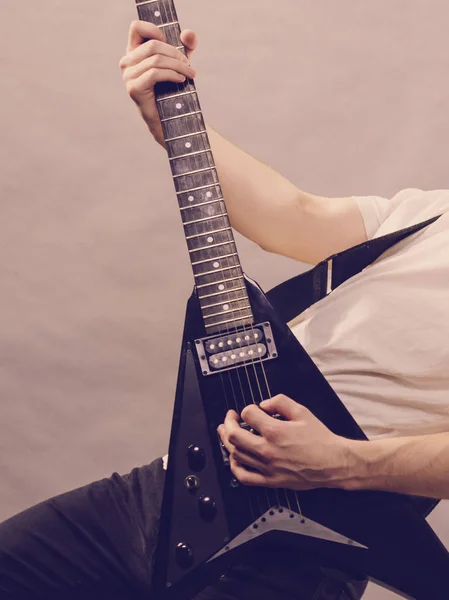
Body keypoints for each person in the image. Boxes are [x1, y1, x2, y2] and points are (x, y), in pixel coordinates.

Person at [0, 18, 448, 600]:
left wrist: (340, 462)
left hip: (299, 548)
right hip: (174, 491)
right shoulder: (432, 217)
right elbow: (297, 216)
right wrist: (169, 120)